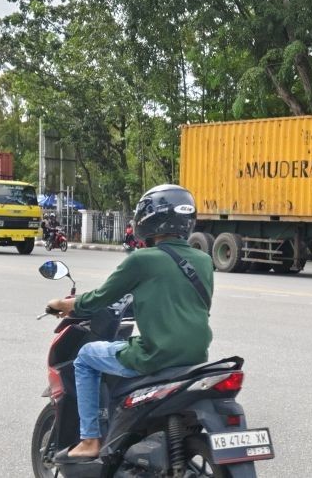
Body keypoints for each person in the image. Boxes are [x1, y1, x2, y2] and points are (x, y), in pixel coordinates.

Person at [46, 184, 213, 461]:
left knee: (86, 356)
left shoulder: (142, 260)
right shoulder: (204, 260)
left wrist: (64, 305)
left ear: (149, 220)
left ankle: (89, 440)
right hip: (196, 356)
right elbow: (189, 303)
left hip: (157, 355)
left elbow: (99, 298)